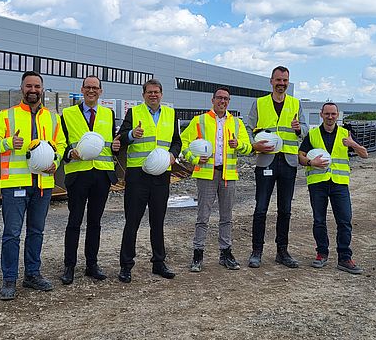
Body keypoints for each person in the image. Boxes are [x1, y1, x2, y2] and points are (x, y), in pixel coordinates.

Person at [0, 71, 66, 300]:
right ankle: (9, 280)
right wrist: (9, 142)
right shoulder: (6, 116)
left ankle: (32, 275)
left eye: (37, 86)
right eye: (28, 86)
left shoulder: (52, 117)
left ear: (42, 89)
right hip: (15, 184)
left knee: (36, 231)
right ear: (22, 88)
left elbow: (61, 143)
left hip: (42, 183)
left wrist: (55, 161)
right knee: (11, 233)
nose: (33, 90)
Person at [116, 79, 182, 283]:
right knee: (132, 222)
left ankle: (159, 262)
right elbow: (120, 140)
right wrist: (131, 134)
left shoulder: (171, 114)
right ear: (143, 95)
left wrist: (173, 155)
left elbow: (177, 141)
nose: (153, 95)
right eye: (149, 92)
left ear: (161, 94)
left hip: (162, 175)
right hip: (137, 176)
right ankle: (126, 266)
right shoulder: (134, 113)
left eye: (157, 92)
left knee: (158, 221)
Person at [180, 87, 252, 272]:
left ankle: (225, 253)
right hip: (206, 174)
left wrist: (239, 145)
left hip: (228, 175)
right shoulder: (200, 121)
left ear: (229, 101)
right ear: (212, 100)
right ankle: (198, 254)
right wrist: (195, 159)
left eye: (226, 99)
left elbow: (248, 147)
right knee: (203, 217)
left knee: (226, 217)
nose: (222, 101)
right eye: (219, 98)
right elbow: (182, 144)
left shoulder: (236, 123)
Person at [59, 75, 121, 285]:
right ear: (82, 89)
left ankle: (91, 265)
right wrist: (68, 152)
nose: (91, 91)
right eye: (88, 87)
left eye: (95, 88)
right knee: (74, 221)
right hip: (78, 174)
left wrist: (115, 146)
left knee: (95, 222)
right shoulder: (67, 114)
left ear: (101, 91)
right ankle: (69, 266)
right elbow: (61, 143)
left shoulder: (108, 114)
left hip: (101, 174)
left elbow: (110, 142)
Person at [247, 65, 308, 269]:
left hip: (288, 162)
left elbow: (306, 130)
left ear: (288, 83)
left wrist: (300, 129)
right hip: (266, 160)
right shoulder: (260, 103)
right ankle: (257, 251)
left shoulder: (295, 103)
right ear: (271, 81)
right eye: (278, 80)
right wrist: (253, 145)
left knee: (285, 209)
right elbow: (248, 129)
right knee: (261, 208)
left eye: (285, 81)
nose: (281, 84)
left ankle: (282, 251)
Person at [298, 102, 368, 274]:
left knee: (344, 220)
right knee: (319, 220)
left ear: (338, 115)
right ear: (321, 114)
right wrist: (310, 162)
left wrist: (353, 144)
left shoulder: (346, 134)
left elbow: (365, 154)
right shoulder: (313, 134)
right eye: (327, 114)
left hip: (339, 183)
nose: (330, 117)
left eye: (333, 114)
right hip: (318, 183)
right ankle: (322, 253)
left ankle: (345, 258)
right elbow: (300, 156)